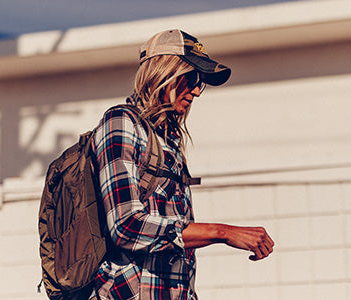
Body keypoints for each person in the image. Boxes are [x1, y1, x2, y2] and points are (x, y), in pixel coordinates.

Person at [91, 29, 274, 300]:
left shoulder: (169, 141)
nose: (198, 91)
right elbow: (126, 225)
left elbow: (174, 248)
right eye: (191, 78)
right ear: (163, 72)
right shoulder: (121, 123)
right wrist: (222, 233)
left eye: (201, 81)